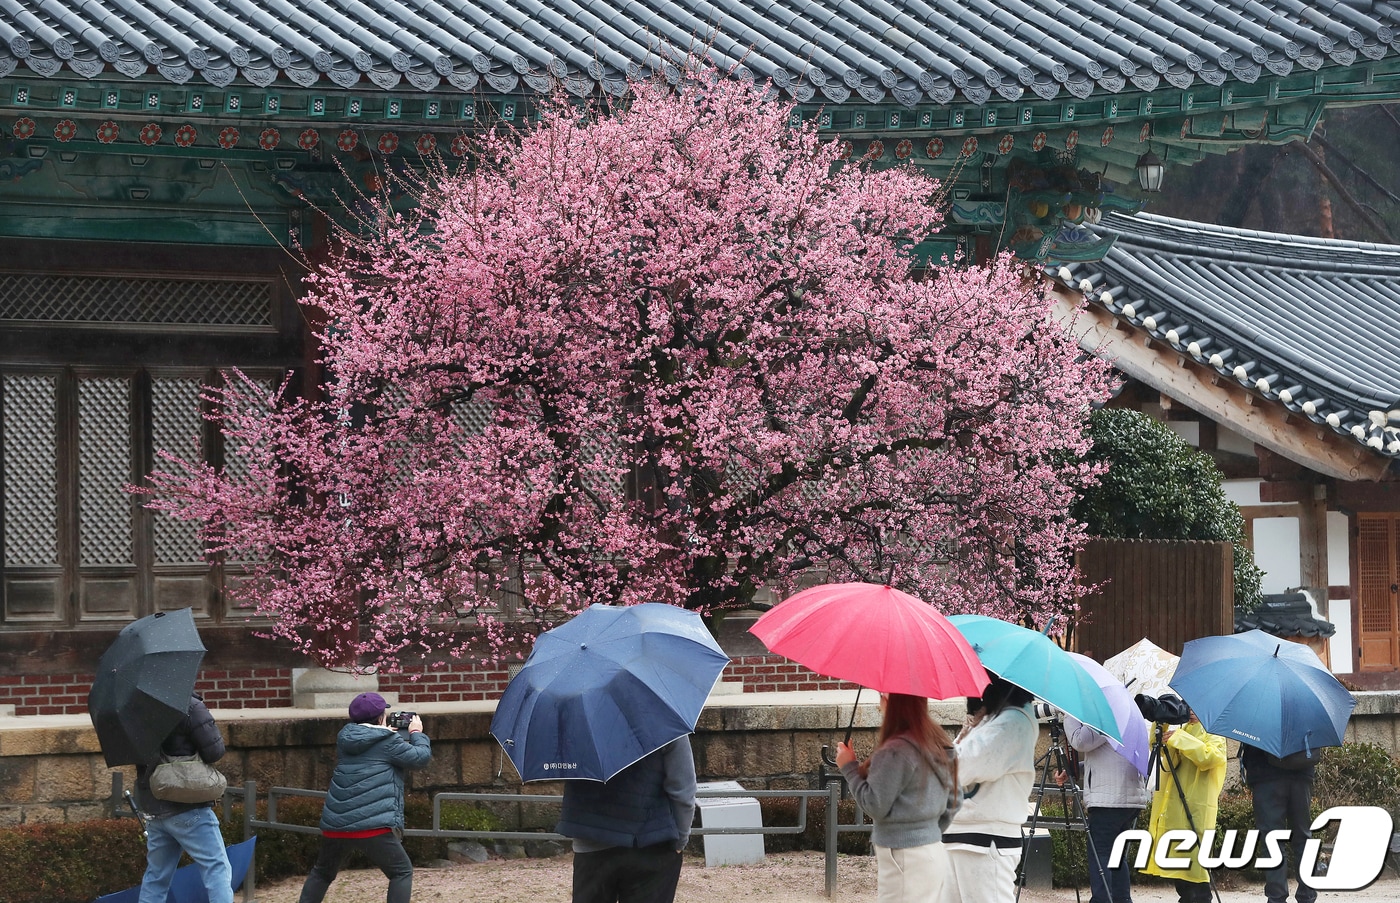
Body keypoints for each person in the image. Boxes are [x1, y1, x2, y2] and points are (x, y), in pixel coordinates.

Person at [297, 692, 432, 903]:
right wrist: (416, 733)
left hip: (337, 824)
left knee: (322, 872)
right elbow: (420, 757)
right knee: (401, 872)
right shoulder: (388, 741)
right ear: (380, 717)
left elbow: (368, 742)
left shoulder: (345, 738)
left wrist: (383, 732)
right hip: (373, 824)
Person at [835, 692, 960, 902]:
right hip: (932, 851)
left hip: (903, 856)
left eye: (882, 695)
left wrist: (849, 767)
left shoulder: (895, 750)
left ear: (890, 701)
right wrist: (926, 832)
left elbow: (874, 804)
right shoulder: (937, 742)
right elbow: (955, 801)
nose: (879, 701)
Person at [555, 734, 697, 903]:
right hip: (652, 841)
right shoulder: (665, 719)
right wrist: (680, 839)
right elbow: (683, 791)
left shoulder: (575, 719)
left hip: (591, 840)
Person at [939, 673, 1038, 903]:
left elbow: (962, 765)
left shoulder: (1015, 720)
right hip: (960, 834)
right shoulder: (989, 718)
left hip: (985, 841)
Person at [134, 692, 233, 903]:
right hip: (188, 804)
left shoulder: (136, 708)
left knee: (156, 877)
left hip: (155, 805)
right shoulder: (188, 705)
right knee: (216, 867)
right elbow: (215, 751)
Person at [1140, 710, 1226, 903]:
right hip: (1176, 809)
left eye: (1195, 707)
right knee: (1181, 871)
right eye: (1187, 707)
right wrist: (1160, 724)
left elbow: (1211, 757)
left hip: (1196, 808)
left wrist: (1179, 739)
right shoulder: (1184, 728)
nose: (1191, 712)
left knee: (1197, 869)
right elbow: (1162, 752)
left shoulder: (1214, 732)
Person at [1062, 714, 1150, 903]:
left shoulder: (1103, 714)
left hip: (1110, 800)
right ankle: (1122, 900)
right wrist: (1074, 769)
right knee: (1117, 856)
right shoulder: (1126, 715)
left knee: (1101, 853)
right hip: (1127, 798)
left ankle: (1102, 900)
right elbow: (1109, 756)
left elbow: (1080, 741)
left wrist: (1068, 716)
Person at [1241, 740, 1318, 903]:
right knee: (1303, 837)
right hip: (1301, 770)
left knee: (1272, 840)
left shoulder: (1259, 713)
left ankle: (1277, 897)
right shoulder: (1306, 713)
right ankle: (1307, 895)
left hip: (1266, 774)